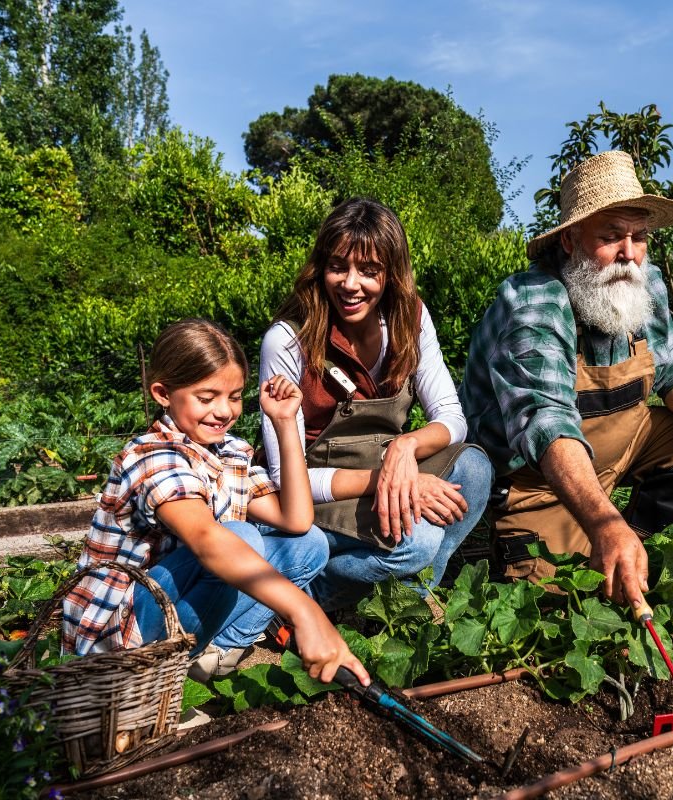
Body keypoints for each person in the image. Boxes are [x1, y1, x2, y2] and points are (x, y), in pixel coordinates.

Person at [460, 150, 673, 610]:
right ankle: (603, 533)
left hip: (614, 458)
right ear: (570, 240)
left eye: (639, 236)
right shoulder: (535, 301)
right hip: (541, 486)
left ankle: (637, 539)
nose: (628, 254)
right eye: (611, 237)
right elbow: (545, 421)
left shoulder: (641, 282)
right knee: (558, 609)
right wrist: (604, 524)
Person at [62, 319, 368, 687]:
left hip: (170, 609)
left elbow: (297, 521)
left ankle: (208, 660)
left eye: (235, 396)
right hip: (116, 636)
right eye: (206, 398)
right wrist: (304, 612)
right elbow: (208, 540)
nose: (223, 411)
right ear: (163, 394)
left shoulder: (229, 453)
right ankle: (145, 680)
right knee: (240, 537)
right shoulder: (151, 456)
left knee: (309, 545)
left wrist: (287, 423)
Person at [260, 198, 492, 611]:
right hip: (316, 487)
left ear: (391, 273)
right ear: (320, 267)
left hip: (385, 463)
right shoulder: (288, 338)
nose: (351, 284)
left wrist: (405, 449)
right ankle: (314, 599)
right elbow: (283, 477)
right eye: (338, 266)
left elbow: (452, 418)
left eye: (369, 271)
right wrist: (391, 480)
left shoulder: (410, 318)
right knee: (417, 541)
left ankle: (405, 607)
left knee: (475, 470)